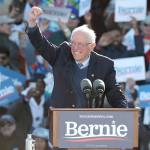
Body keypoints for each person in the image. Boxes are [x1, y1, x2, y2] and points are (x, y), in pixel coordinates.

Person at [26, 6, 127, 108]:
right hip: (62, 117)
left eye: (80, 44)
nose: (75, 48)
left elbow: (115, 94)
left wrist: (124, 110)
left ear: (91, 46)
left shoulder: (104, 65)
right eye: (73, 43)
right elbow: (41, 45)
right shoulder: (62, 54)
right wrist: (32, 23)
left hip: (89, 119)